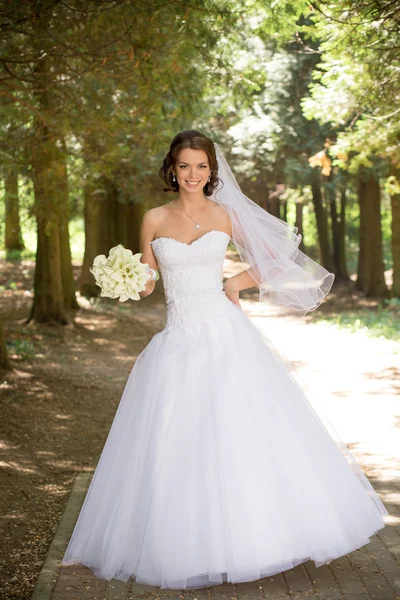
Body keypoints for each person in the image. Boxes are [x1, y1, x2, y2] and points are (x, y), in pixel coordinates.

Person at [61, 130, 387, 590]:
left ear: (211, 171)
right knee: (177, 437)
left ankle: (256, 539)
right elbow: (150, 281)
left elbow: (276, 254)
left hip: (225, 335)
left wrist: (235, 284)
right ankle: (184, 542)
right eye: (184, 166)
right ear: (171, 170)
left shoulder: (226, 215)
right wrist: (127, 279)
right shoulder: (153, 218)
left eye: (200, 166)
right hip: (177, 340)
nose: (192, 175)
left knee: (239, 433)